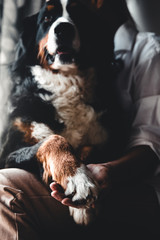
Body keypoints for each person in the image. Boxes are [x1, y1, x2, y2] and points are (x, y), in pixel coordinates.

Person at [0, 0, 160, 239]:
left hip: (127, 188)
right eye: (50, 19)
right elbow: (10, 156)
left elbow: (152, 146)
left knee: (3, 190)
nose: (64, 24)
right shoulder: (28, 98)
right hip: (55, 181)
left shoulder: (146, 49)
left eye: (76, 13)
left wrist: (104, 170)